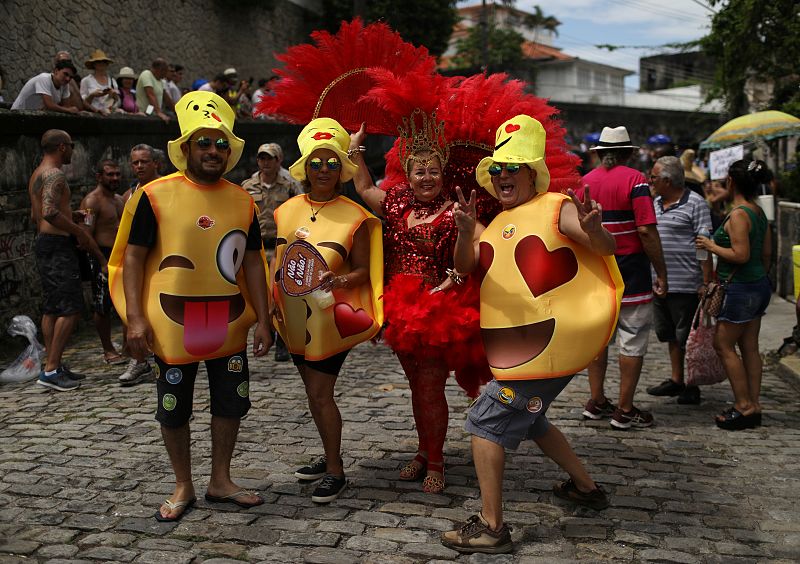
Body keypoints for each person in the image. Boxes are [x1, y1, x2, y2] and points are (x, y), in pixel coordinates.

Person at [442, 116, 621, 554]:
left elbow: (601, 247)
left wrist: (595, 228)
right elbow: (466, 266)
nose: (504, 175)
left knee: (486, 422)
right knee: (532, 419)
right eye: (498, 168)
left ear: (531, 172)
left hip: (549, 345)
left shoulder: (556, 204)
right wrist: (466, 232)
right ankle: (585, 488)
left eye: (513, 167)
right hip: (518, 347)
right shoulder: (498, 223)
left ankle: (492, 526)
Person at [108, 91, 272, 521]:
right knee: (173, 404)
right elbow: (134, 258)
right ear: (185, 148)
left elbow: (254, 262)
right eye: (204, 142)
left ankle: (221, 479)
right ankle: (183, 483)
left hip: (229, 321)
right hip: (172, 325)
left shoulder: (242, 200)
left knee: (231, 402)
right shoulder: (154, 195)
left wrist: (265, 318)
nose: (213, 151)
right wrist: (135, 319)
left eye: (220, 143)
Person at [348, 115, 491, 494]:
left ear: (443, 174)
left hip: (436, 313)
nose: (426, 178)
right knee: (416, 387)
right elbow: (363, 187)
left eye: (433, 172)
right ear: (408, 176)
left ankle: (437, 461)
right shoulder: (395, 202)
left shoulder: (455, 211)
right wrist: (355, 147)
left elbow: (476, 255)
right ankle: (424, 451)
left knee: (429, 389)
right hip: (399, 313)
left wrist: (463, 238)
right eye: (419, 172)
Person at [272, 118, 383, 504]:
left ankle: (335, 470)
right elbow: (278, 261)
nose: (324, 170)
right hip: (292, 320)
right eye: (317, 163)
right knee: (313, 392)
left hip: (330, 320)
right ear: (305, 166)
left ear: (342, 169)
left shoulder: (356, 216)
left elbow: (363, 271)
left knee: (320, 393)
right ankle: (328, 452)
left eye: (332, 163)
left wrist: (339, 282)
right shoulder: (285, 210)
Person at [582, 126, 668, 430]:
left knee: (598, 340)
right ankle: (625, 408)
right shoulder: (636, 180)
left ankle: (596, 400)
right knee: (631, 340)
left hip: (595, 273)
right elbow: (646, 230)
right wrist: (661, 271)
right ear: (630, 153)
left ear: (600, 152)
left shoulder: (584, 183)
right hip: (631, 271)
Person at [696, 160, 772, 430]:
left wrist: (710, 245)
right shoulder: (758, 212)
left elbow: (741, 255)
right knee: (749, 346)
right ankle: (754, 404)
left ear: (731, 182)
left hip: (741, 288)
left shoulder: (739, 214)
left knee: (724, 345)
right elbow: (765, 255)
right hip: (758, 285)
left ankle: (743, 405)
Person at [29, 130, 107, 391]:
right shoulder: (55, 175)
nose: (73, 150)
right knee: (70, 308)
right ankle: (51, 371)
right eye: (71, 146)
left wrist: (69, 214)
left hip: (46, 244)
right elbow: (50, 212)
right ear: (62, 147)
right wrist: (77, 231)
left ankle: (54, 364)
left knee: (52, 308)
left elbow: (37, 215)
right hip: (58, 247)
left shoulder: (37, 174)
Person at [646, 156, 713, 405]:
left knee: (687, 337)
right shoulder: (654, 203)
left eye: (653, 177)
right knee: (669, 334)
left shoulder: (695, 204)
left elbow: (702, 245)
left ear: (667, 180)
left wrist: (705, 281)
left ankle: (691, 383)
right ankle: (677, 379)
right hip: (659, 282)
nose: (650, 181)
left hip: (686, 282)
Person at [241, 142, 302, 362]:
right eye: (261, 158)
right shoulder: (248, 186)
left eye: (270, 158)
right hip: (256, 249)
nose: (265, 162)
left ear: (279, 161)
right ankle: (267, 329)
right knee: (261, 294)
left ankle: (282, 340)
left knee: (280, 294)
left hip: (280, 246)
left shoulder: (290, 186)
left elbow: (299, 211)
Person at [118, 144, 162, 386]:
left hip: (159, 262)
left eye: (144, 161)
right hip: (135, 260)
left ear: (156, 163)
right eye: (135, 162)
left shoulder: (165, 190)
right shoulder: (129, 194)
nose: (139, 166)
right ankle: (138, 360)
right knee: (130, 309)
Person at [79, 159, 126, 365]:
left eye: (117, 174)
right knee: (102, 304)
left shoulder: (119, 200)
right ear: (99, 177)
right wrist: (102, 261)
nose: (115, 178)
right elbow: (85, 235)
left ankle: (127, 346)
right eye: (110, 174)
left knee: (125, 301)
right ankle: (108, 349)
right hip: (101, 255)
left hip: (120, 255)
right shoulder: (92, 202)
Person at [11, 60, 79, 113]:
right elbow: (49, 105)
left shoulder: (65, 84)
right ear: (56, 71)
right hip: (18, 113)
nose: (68, 79)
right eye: (65, 74)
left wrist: (66, 109)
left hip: (35, 116)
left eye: (70, 77)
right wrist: (68, 110)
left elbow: (66, 106)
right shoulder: (44, 78)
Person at [80, 49, 119, 115]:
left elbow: (117, 102)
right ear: (94, 64)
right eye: (98, 61)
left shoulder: (112, 81)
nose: (101, 63)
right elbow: (82, 102)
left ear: (106, 64)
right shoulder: (86, 80)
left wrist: (114, 95)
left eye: (103, 61)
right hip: (93, 115)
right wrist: (92, 95)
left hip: (109, 115)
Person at [135, 58, 172, 122]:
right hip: (142, 114)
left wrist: (177, 111)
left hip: (151, 113)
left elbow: (167, 98)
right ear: (160, 70)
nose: (166, 74)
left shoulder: (161, 81)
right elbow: (150, 94)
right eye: (165, 71)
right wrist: (158, 112)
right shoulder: (146, 74)